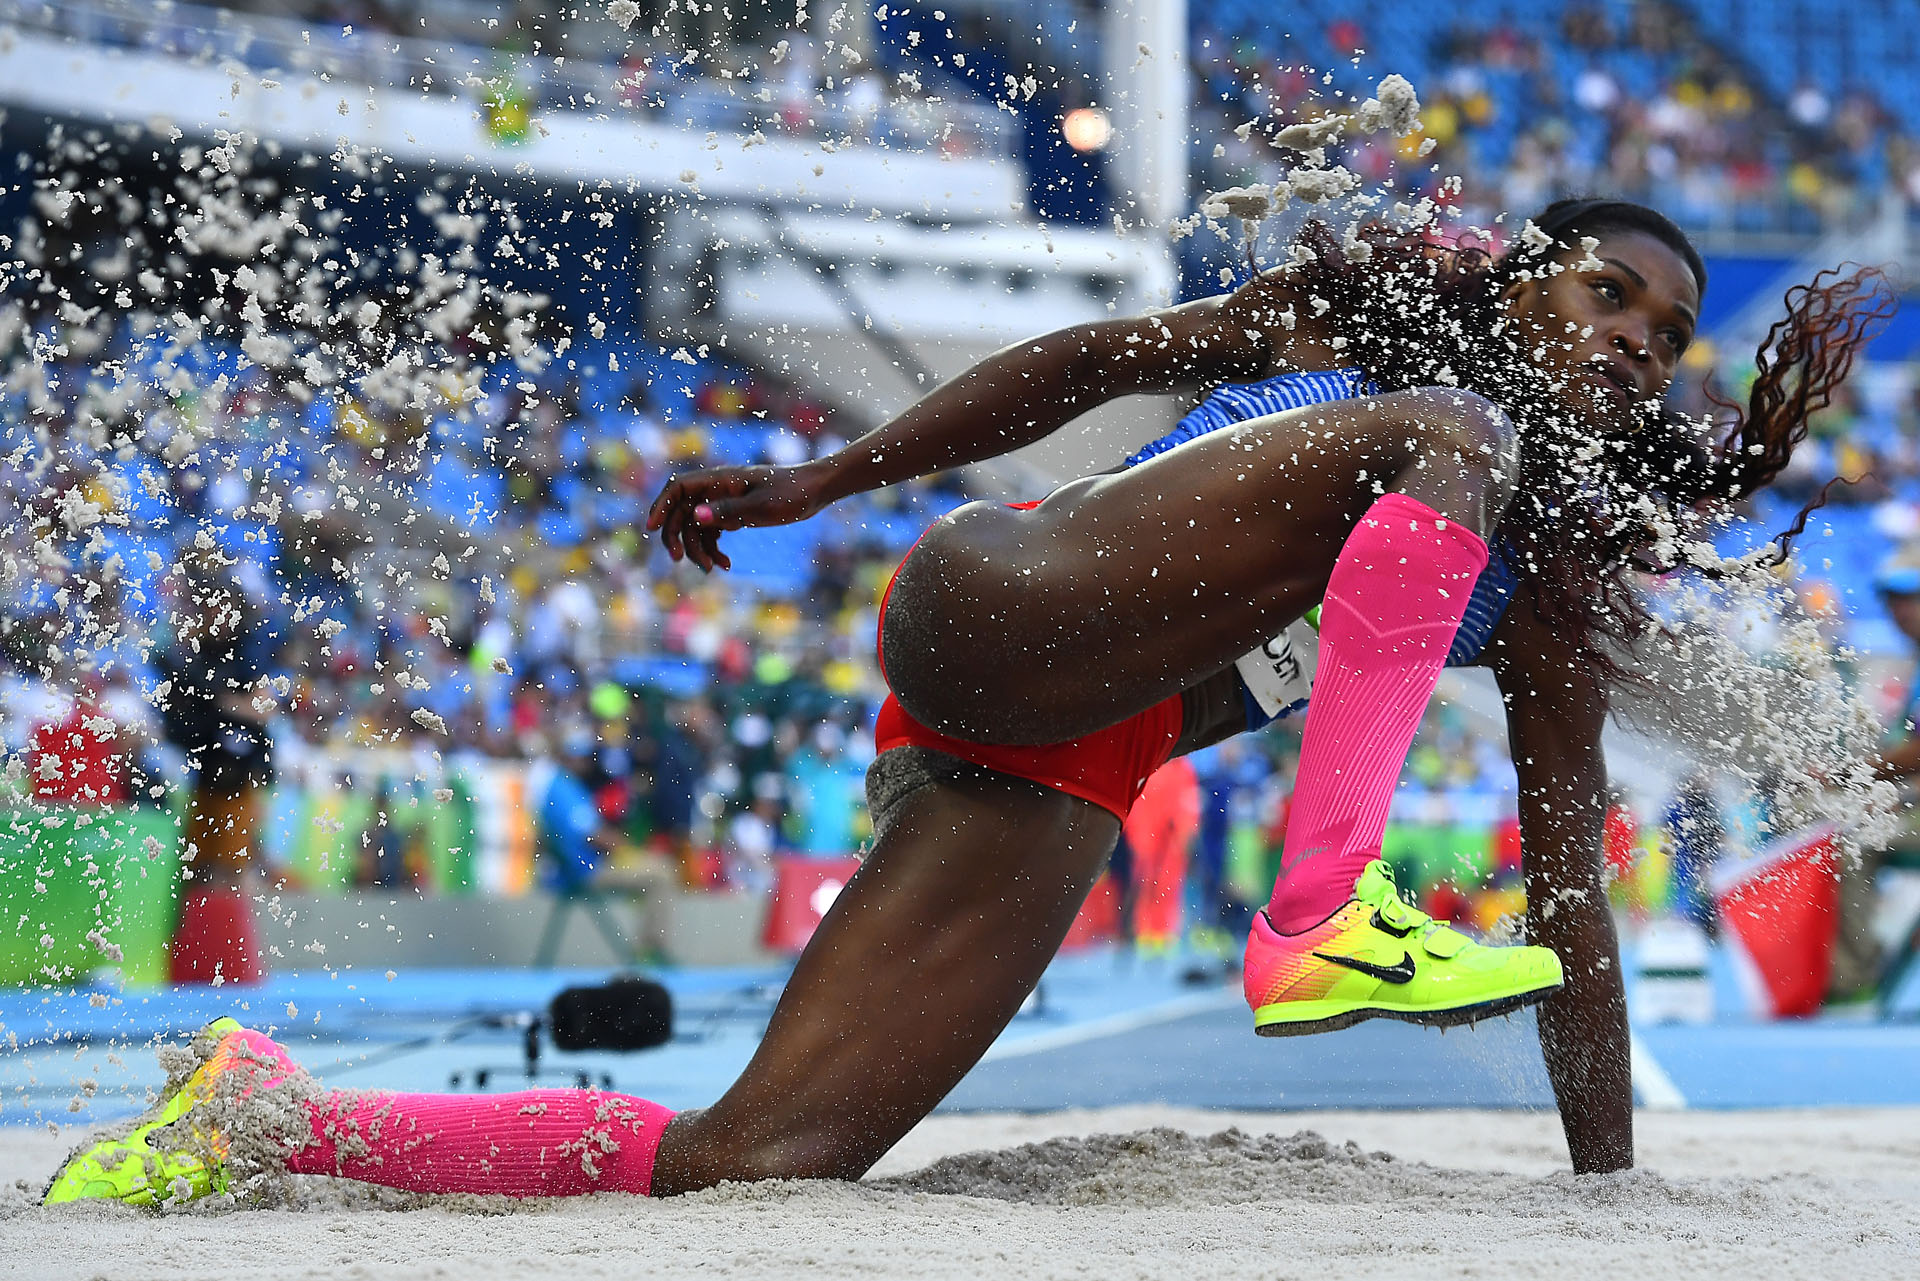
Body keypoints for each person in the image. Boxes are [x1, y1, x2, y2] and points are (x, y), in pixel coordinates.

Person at [47, 198, 1886, 1207]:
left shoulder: (1544, 589)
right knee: (1446, 436)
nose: (1637, 338)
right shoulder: (1393, 336)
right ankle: (1317, 916)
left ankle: (267, 1115)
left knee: (766, 1158)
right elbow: (1093, 359)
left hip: (1063, 755)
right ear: (1521, 269)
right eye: (1609, 289)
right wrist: (817, 487)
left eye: (1667, 336)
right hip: (1006, 591)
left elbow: (1568, 888)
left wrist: (1606, 1192)